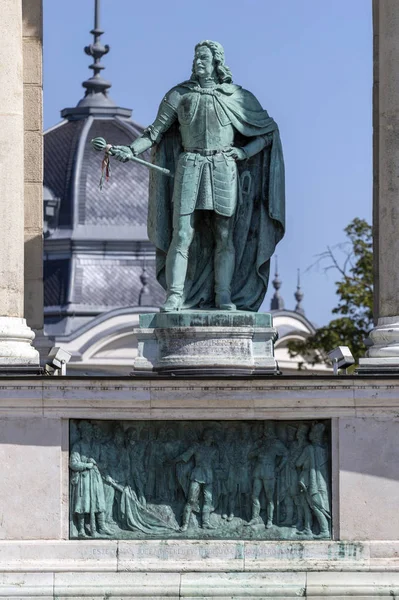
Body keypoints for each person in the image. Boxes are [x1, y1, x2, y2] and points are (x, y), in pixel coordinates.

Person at [111, 40, 285, 312]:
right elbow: (153, 133)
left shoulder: (236, 96)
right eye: (196, 58)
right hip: (190, 165)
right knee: (182, 234)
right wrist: (130, 149)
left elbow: (267, 132)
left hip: (223, 166)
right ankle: (175, 295)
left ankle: (224, 295)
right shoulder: (179, 95)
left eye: (203, 58)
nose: (198, 62)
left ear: (217, 62)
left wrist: (244, 152)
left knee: (224, 235)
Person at [69, 421, 111, 537]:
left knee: (99, 503)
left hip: (96, 478)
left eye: (90, 432)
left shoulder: (98, 446)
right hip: (84, 480)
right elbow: (73, 463)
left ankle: (101, 527)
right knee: (83, 504)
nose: (89, 434)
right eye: (86, 432)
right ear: (82, 433)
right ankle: (81, 529)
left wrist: (96, 464)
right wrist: (86, 465)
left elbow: (105, 463)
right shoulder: (78, 446)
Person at [172, 428, 219, 531]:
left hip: (209, 476)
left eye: (212, 437)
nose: (212, 438)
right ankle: (185, 524)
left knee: (208, 499)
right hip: (197, 475)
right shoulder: (197, 447)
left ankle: (205, 523)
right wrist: (173, 461)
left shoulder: (214, 450)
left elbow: (218, 464)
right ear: (206, 437)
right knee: (191, 499)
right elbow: (185, 456)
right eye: (211, 436)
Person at [247, 422, 288, 529]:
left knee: (269, 497)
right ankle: (255, 518)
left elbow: (286, 454)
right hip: (258, 470)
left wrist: (279, 467)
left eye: (268, 429)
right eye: (265, 429)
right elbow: (250, 455)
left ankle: (270, 520)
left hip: (269, 471)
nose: (266, 431)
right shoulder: (261, 443)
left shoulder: (276, 443)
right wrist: (258, 448)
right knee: (254, 495)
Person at [296, 423, 331, 538]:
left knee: (314, 506)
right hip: (322, 483)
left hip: (312, 482)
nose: (309, 434)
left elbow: (298, 463)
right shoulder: (324, 449)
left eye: (311, 432)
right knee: (317, 505)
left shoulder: (309, 449)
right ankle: (310, 528)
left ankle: (324, 530)